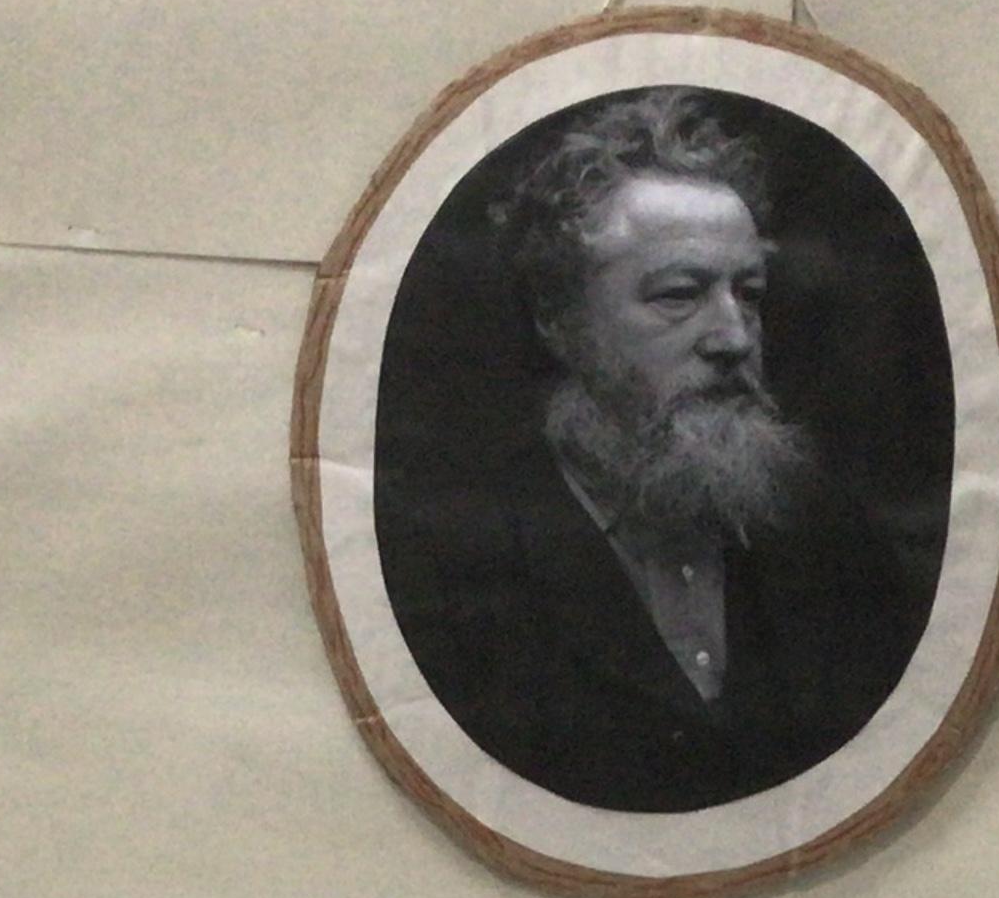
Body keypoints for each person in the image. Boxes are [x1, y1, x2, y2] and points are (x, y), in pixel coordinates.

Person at [376, 88, 925, 814]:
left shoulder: (836, 548)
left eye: (749, 293)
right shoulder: (444, 562)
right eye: (678, 294)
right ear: (560, 319)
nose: (734, 337)